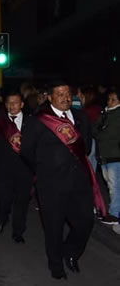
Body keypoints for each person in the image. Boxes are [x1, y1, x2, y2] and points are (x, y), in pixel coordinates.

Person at [21, 81, 105, 280]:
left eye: (68, 94)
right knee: (53, 226)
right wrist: (45, 169)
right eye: (60, 94)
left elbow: (85, 147)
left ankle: (71, 252)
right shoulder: (39, 120)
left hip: (79, 182)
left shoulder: (81, 117)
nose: (66, 98)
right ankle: (56, 264)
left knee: (85, 222)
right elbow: (26, 151)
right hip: (51, 184)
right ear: (50, 97)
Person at [0, 91, 32, 243]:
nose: (11, 105)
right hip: (4, 168)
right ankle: (1, 220)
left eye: (15, 102)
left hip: (24, 169)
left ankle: (18, 231)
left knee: (21, 202)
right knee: (3, 199)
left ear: (22, 104)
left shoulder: (31, 122)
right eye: (9, 102)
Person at [93, 88, 120, 223]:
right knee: (110, 184)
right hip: (104, 155)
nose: (109, 102)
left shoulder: (117, 115)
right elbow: (95, 129)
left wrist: (100, 133)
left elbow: (108, 134)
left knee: (114, 185)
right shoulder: (105, 114)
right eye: (109, 99)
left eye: (113, 99)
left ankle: (115, 213)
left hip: (115, 155)